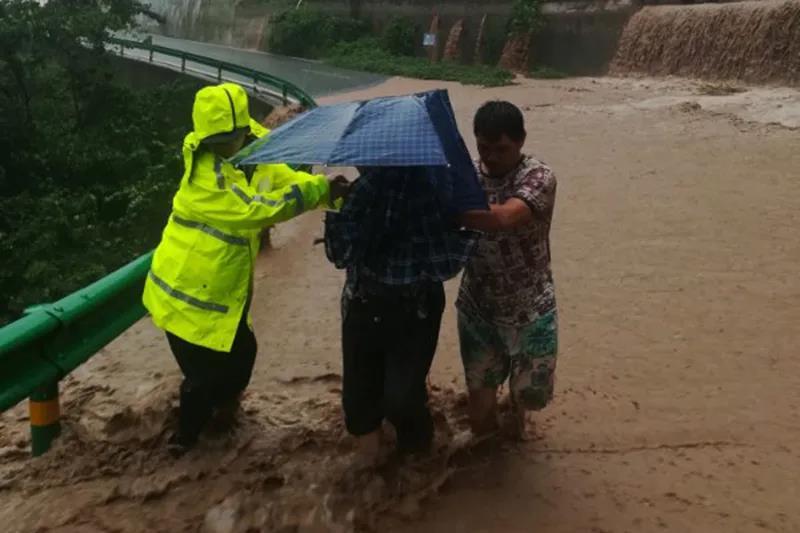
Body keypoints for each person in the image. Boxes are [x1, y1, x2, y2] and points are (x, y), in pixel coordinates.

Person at [142, 83, 349, 454]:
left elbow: (285, 179)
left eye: (229, 137)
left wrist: (326, 187)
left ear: (243, 129)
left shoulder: (255, 152)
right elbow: (255, 210)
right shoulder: (206, 177)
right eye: (216, 140)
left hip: (222, 297)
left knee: (241, 359)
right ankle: (183, 443)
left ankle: (223, 422)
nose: (223, 145)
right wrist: (319, 190)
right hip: (184, 297)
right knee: (202, 378)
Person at [324, 167, 475, 464]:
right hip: (365, 304)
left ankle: (407, 464)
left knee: (400, 399)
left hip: (411, 309)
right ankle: (391, 475)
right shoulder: (364, 191)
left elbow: (443, 265)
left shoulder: (428, 191)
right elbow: (340, 255)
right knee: (360, 405)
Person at [457, 101, 558, 438]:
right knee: (480, 407)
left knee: (528, 396)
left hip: (531, 308)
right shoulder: (466, 174)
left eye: (501, 149)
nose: (491, 157)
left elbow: (504, 218)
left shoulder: (539, 176)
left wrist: (447, 209)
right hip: (478, 305)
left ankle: (515, 443)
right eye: (484, 147)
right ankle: (490, 474)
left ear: (521, 141)